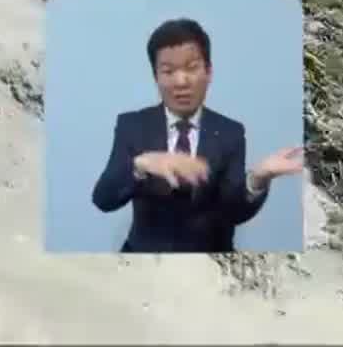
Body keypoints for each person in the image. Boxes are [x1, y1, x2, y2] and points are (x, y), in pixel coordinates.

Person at [90, 18, 304, 253]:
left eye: (192, 68)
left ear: (209, 71)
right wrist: (141, 165)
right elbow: (104, 199)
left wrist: (258, 178)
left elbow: (233, 211)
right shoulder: (132, 125)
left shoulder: (230, 132)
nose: (181, 81)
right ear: (156, 77)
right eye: (168, 71)